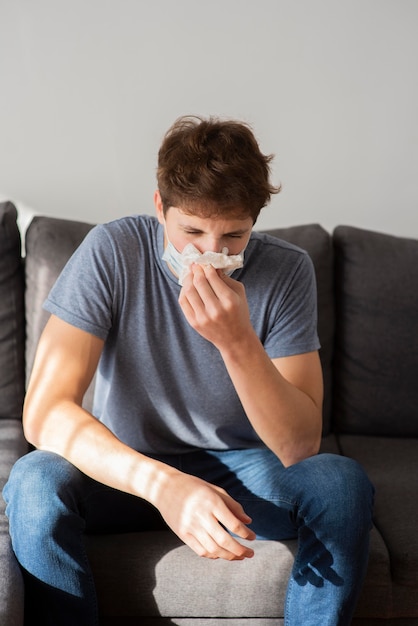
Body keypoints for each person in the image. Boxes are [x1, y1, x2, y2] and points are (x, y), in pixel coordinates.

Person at [3, 115, 374, 625]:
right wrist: (164, 485)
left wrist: (236, 340)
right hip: (129, 467)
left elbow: (299, 446)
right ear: (160, 208)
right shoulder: (114, 251)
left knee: (340, 481)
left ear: (254, 223)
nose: (212, 253)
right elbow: (44, 414)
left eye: (234, 235)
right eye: (192, 231)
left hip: (245, 471)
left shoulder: (287, 270)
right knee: (33, 478)